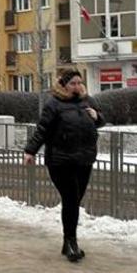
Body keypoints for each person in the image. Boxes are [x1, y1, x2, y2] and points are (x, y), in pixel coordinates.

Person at [23, 70, 105, 263]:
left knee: (75, 201)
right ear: (64, 85)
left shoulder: (88, 101)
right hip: (60, 161)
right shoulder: (54, 104)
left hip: (84, 160)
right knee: (70, 198)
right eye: (73, 83)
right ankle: (71, 243)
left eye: (79, 83)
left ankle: (67, 240)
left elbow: (101, 120)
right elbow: (42, 129)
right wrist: (30, 151)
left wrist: (97, 117)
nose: (77, 86)